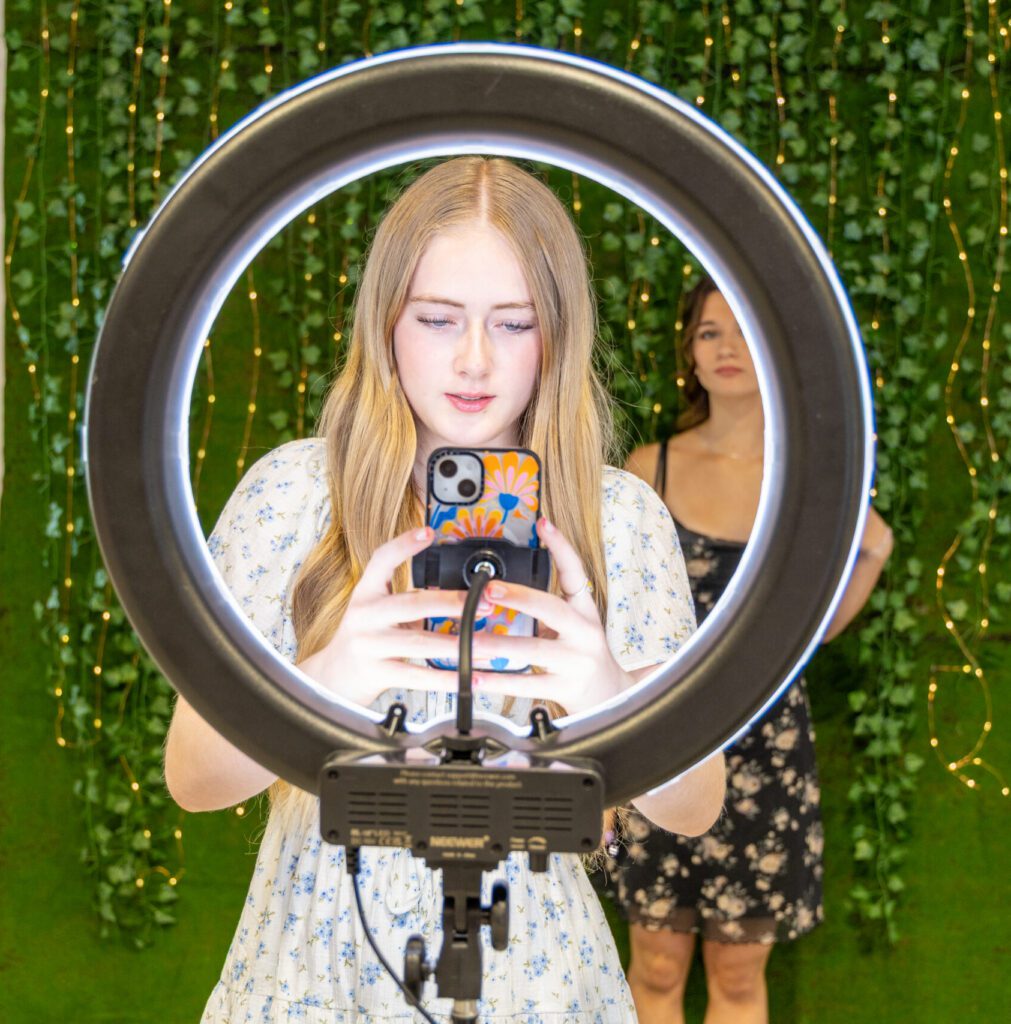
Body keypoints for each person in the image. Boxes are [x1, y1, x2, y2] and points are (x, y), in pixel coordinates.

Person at [164, 157, 727, 1023]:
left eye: (513, 323)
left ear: (559, 334)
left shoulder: (617, 517)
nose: (474, 360)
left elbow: (696, 806)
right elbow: (194, 778)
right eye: (437, 319)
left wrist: (608, 696)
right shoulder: (291, 494)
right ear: (385, 322)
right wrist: (323, 683)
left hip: (535, 980)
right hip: (311, 974)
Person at [608, 277, 894, 1024]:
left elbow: (813, 631)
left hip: (767, 747)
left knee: (737, 977)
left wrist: (867, 552)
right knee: (657, 965)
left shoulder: (808, 476)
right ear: (690, 355)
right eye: (708, 332)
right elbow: (623, 620)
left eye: (742, 330)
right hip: (664, 742)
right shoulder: (648, 469)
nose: (727, 346)